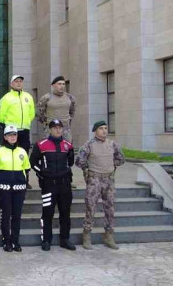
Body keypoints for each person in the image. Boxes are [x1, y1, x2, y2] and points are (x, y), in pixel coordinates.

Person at [76, 121, 126, 250]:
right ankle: (86, 235)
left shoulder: (112, 144)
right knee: (90, 207)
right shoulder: (89, 145)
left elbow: (121, 159)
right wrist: (88, 170)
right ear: (95, 131)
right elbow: (79, 161)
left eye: (105, 128)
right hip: (95, 180)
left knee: (109, 208)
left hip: (108, 179)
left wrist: (111, 164)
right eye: (101, 128)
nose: (104, 131)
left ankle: (109, 236)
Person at [29, 119, 76, 251]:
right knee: (47, 213)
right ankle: (46, 240)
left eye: (60, 128)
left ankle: (65, 239)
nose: (58, 130)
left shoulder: (68, 145)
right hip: (48, 185)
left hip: (65, 185)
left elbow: (70, 162)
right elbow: (32, 163)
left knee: (65, 213)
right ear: (50, 129)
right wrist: (43, 173)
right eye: (55, 128)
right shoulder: (41, 145)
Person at [0, 125, 30, 252]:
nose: (12, 137)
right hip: (4, 188)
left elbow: (27, 168)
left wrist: (20, 179)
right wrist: (3, 178)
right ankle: (6, 241)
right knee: (6, 215)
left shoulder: (22, 151)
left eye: (15, 135)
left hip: (19, 188)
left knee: (17, 215)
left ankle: (15, 241)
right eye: (10, 135)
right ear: (5, 137)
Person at [0, 75, 35, 153]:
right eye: (16, 81)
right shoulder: (6, 98)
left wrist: (26, 121)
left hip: (25, 130)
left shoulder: (28, 97)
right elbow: (0, 115)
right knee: (10, 152)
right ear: (11, 84)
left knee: (24, 153)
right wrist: (7, 125)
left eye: (20, 81)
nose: (19, 83)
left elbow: (31, 113)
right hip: (11, 131)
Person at [37, 76, 76, 141]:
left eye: (63, 84)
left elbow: (72, 111)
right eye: (59, 84)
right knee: (49, 149)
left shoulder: (70, 97)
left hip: (65, 129)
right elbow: (39, 113)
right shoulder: (46, 98)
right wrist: (46, 123)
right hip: (51, 129)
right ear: (53, 85)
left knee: (67, 149)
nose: (62, 86)